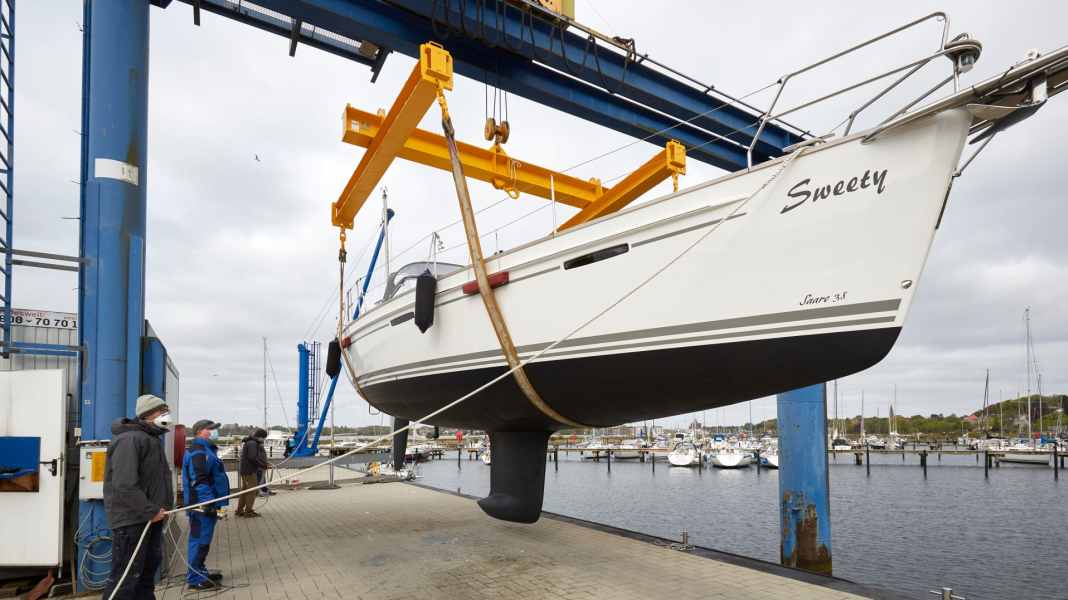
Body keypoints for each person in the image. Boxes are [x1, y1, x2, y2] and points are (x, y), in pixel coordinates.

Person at [101, 394, 174, 600]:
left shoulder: (151, 439)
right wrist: (150, 511)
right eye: (162, 412)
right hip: (133, 521)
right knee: (125, 578)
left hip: (151, 519)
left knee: (145, 575)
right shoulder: (130, 439)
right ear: (148, 414)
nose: (166, 416)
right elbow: (124, 484)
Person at [181, 420, 230, 590]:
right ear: (201, 431)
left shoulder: (207, 450)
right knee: (199, 540)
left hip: (210, 503)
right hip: (202, 506)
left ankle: (200, 571)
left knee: (204, 539)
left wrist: (220, 504)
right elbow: (199, 479)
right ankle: (195, 578)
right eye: (211, 429)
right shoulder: (198, 451)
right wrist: (208, 503)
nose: (214, 432)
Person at [236, 429, 270, 517]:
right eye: (264, 438)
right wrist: (263, 465)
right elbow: (252, 457)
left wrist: (264, 464)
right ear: (261, 437)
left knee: (245, 491)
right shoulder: (253, 444)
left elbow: (252, 457)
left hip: (246, 470)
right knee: (252, 491)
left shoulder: (250, 442)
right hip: (249, 471)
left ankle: (239, 510)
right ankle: (248, 511)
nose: (264, 440)